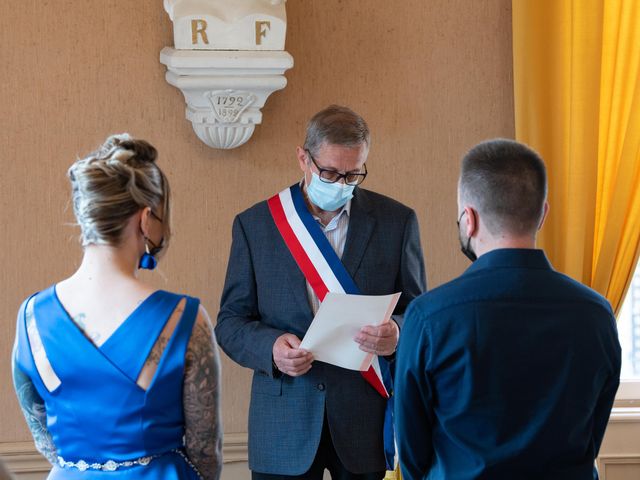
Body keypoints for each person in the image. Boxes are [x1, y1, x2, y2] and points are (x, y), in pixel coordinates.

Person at [215, 105, 426, 479]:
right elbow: (230, 323)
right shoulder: (256, 225)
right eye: (329, 172)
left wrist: (396, 332)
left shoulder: (397, 221)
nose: (341, 184)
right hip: (283, 423)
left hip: (364, 419)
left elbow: (418, 313)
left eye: (352, 174)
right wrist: (272, 348)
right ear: (303, 158)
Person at [395, 139, 621, 480]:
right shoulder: (598, 314)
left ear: (468, 219)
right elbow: (592, 434)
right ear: (542, 214)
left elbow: (412, 452)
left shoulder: (429, 317)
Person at [12, 135, 223, 479]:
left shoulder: (32, 316)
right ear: (145, 219)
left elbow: (45, 441)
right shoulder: (184, 318)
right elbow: (205, 450)